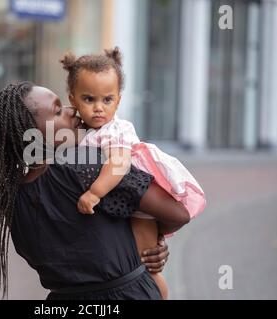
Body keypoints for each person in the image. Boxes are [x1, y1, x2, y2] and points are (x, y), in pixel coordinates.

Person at [0, 82, 190, 300]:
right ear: (32, 133)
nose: (72, 110)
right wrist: (153, 242)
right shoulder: (83, 164)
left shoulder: (11, 197)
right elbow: (178, 213)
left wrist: (142, 246)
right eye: (57, 111)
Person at [59, 47, 207, 299]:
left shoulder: (115, 130)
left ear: (118, 99)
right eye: (88, 99)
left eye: (107, 100)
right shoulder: (76, 128)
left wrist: (94, 193)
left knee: (144, 266)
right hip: (119, 207)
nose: (98, 108)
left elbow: (118, 164)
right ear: (72, 99)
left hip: (140, 205)